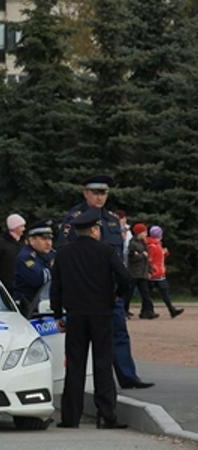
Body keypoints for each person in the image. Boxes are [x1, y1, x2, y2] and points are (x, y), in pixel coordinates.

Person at [58, 175, 153, 391]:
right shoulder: (74, 218)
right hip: (85, 293)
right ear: (85, 193)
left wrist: (119, 290)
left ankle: (128, 376)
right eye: (95, 192)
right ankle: (88, 388)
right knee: (85, 345)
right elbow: (65, 257)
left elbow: (119, 257)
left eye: (104, 193)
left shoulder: (111, 220)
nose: (100, 197)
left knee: (119, 333)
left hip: (110, 291)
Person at [51, 208, 131, 429]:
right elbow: (125, 278)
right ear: (95, 230)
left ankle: (70, 418)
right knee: (102, 364)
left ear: (76, 231)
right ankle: (106, 415)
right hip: (102, 314)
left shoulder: (64, 254)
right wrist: (118, 298)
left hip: (75, 315)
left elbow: (55, 288)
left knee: (75, 365)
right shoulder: (105, 251)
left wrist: (58, 314)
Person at [11, 219, 54, 316]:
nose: (48, 243)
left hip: (46, 307)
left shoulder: (51, 254)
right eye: (44, 239)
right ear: (32, 241)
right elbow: (39, 278)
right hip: (28, 310)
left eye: (50, 239)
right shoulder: (25, 257)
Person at [146, 226, 184, 319]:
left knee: (163, 292)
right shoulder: (152, 245)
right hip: (154, 273)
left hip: (160, 273)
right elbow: (150, 260)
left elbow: (159, 258)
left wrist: (164, 253)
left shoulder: (158, 244)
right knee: (148, 293)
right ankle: (148, 311)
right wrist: (150, 270)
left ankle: (171, 310)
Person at [127, 223, 158, 319]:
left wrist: (149, 270)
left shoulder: (143, 243)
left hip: (142, 272)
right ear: (138, 233)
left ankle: (147, 311)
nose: (146, 234)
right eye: (144, 232)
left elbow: (146, 258)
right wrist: (141, 255)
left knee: (145, 293)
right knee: (129, 293)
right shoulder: (132, 243)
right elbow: (131, 258)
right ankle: (124, 310)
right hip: (134, 273)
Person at [0, 213, 26, 291]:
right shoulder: (1, 243)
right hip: (5, 287)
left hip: (20, 287)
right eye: (21, 226)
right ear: (15, 227)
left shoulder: (22, 243)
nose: (24, 229)